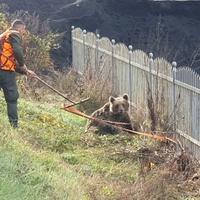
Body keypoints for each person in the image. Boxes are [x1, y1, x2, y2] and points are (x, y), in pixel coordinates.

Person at [0, 19, 36, 128]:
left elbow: (8, 60)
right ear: (20, 28)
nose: (24, 32)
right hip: (5, 73)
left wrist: (25, 72)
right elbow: (17, 51)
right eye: (24, 30)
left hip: (3, 68)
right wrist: (23, 64)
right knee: (12, 98)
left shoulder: (3, 36)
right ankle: (14, 126)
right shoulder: (14, 34)